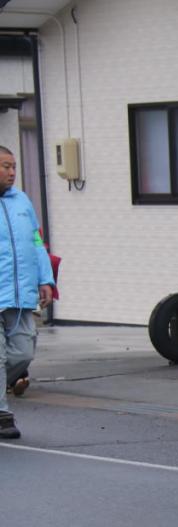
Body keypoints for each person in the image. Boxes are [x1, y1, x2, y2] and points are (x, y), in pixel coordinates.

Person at [0, 145, 54, 439]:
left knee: (22, 352)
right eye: (5, 166)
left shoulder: (22, 202)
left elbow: (36, 243)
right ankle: (3, 416)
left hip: (19, 298)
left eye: (14, 166)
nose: (11, 172)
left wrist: (45, 279)